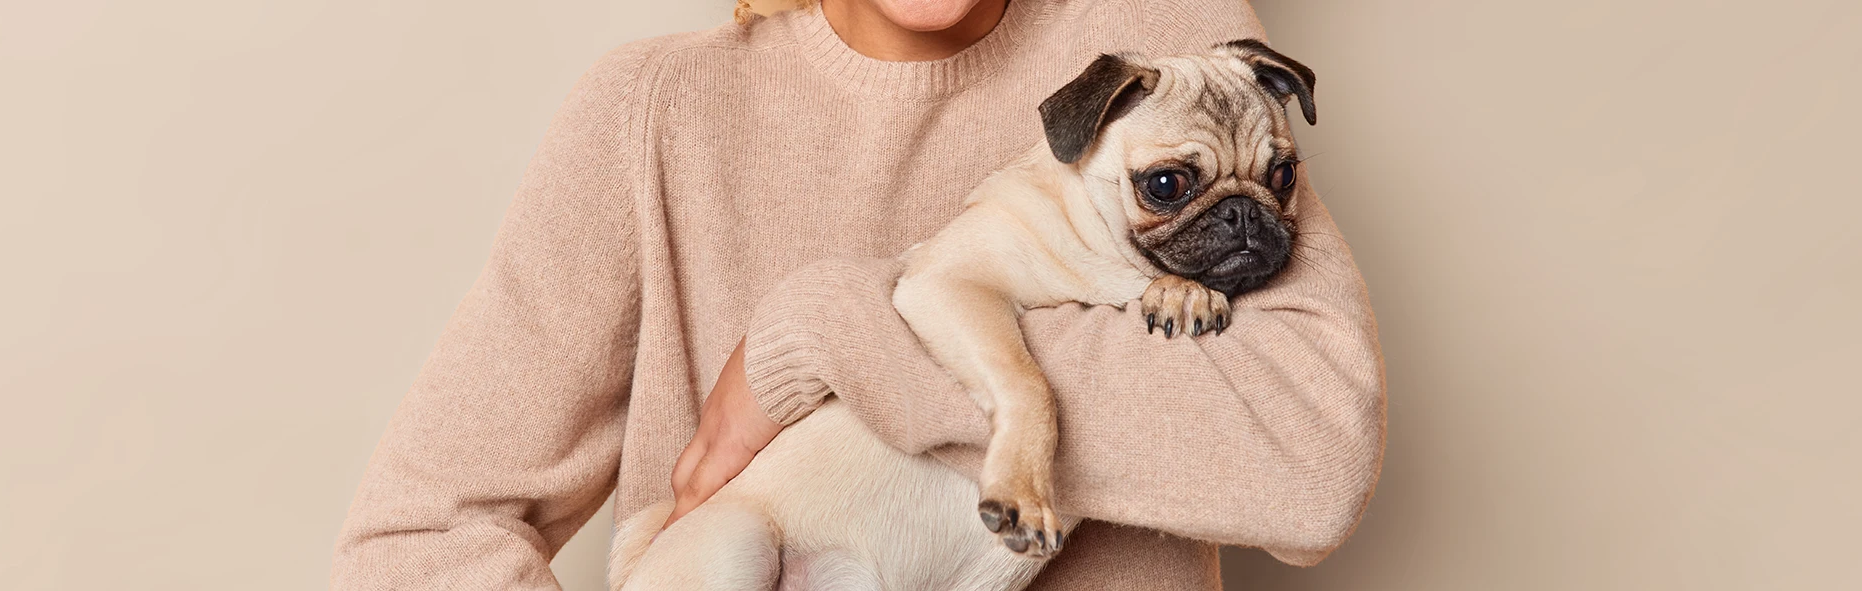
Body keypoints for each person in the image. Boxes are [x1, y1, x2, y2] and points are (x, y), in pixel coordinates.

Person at [331, 0, 1385, 588]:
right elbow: (415, 540)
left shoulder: (1166, 48)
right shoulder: (656, 111)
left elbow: (1310, 457)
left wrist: (828, 329)